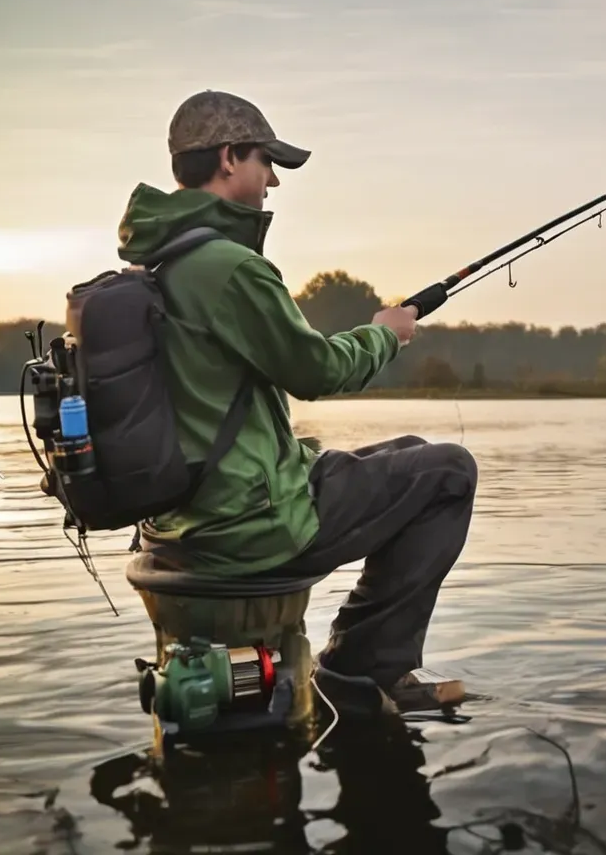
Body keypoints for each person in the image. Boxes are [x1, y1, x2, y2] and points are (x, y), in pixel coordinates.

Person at [116, 89, 477, 713]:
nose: (273, 179)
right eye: (265, 161)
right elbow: (316, 370)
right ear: (229, 159)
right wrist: (386, 334)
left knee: (414, 455)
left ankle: (356, 665)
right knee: (448, 473)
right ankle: (361, 671)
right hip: (249, 525)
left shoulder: (157, 264)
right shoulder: (228, 267)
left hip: (189, 518)